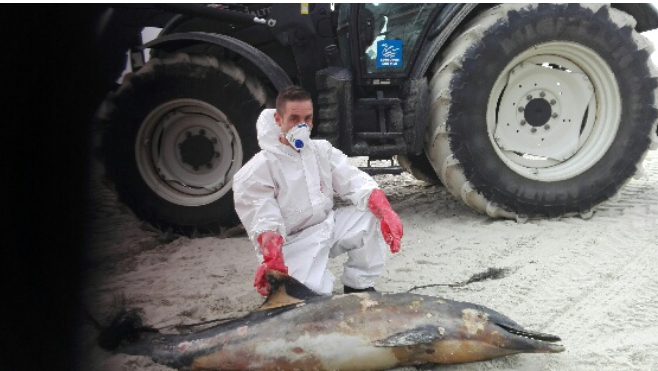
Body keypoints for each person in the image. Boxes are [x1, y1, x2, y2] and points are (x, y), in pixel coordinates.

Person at [233, 85, 403, 296]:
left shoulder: (321, 150)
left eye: (308, 119)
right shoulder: (259, 169)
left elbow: (353, 180)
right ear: (278, 120)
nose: (302, 126)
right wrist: (272, 258)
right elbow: (263, 217)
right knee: (310, 298)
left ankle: (359, 285)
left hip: (326, 225)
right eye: (294, 119)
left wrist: (385, 210)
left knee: (369, 216)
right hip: (292, 243)